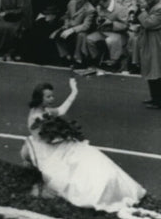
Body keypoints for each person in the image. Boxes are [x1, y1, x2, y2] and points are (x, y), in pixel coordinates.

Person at [21, 80, 146, 212]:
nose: (52, 99)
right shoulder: (36, 116)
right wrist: (64, 136)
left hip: (60, 144)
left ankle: (111, 186)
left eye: (52, 96)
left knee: (89, 156)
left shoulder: (44, 110)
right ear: (39, 98)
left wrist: (74, 91)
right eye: (48, 97)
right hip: (49, 149)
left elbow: (61, 110)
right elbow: (46, 139)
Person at [137, 0, 161, 109]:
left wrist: (142, 10)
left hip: (159, 44)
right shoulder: (153, 8)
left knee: (159, 72)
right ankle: (155, 98)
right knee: (151, 70)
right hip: (152, 43)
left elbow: (148, 23)